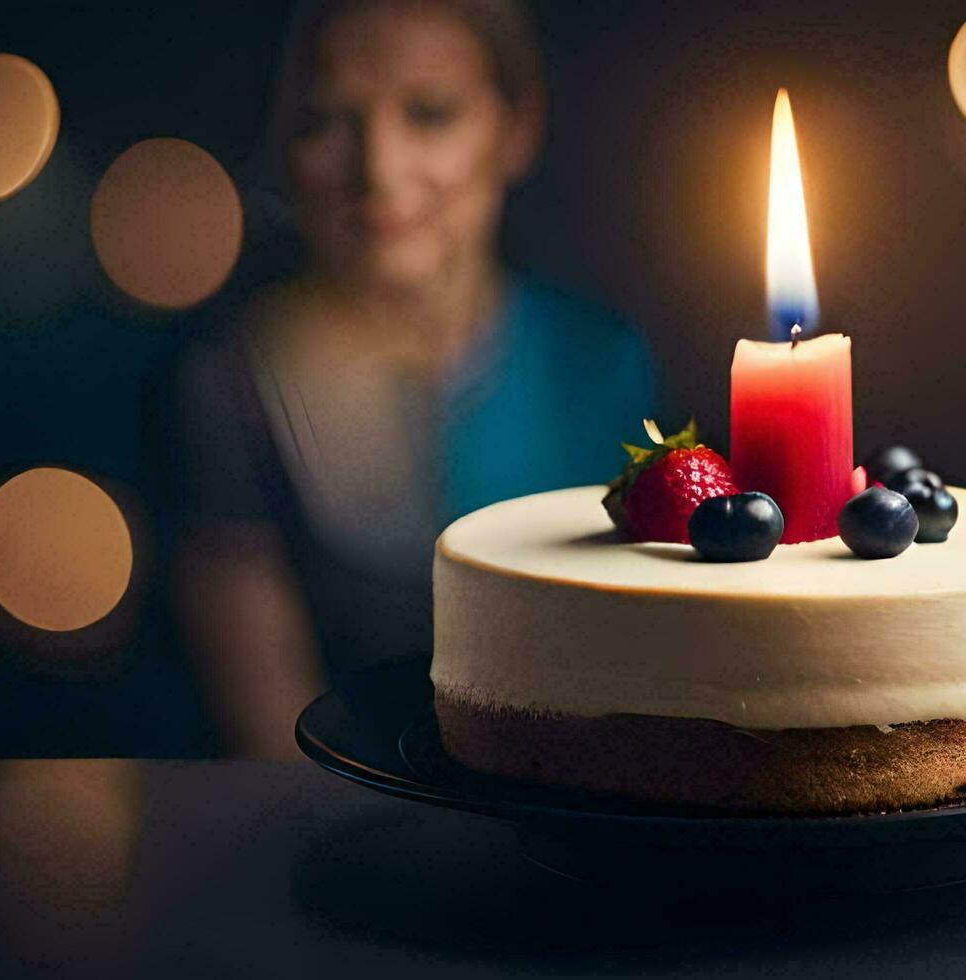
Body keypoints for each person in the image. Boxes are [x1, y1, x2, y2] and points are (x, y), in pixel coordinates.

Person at [171, 0, 656, 758]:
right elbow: (273, 749)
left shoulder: (604, 361)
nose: (378, 169)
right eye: (323, 122)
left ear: (515, 126)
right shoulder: (227, 386)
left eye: (430, 114)